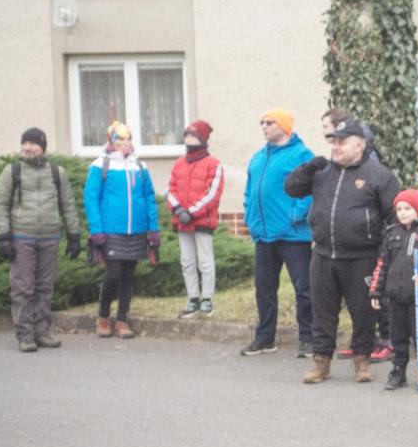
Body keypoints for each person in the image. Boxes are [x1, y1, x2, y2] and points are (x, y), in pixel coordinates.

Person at [287, 117, 399, 384]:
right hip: (323, 254)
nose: (336, 147)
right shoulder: (322, 172)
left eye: (342, 142)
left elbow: (394, 216)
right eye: (333, 142)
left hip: (362, 257)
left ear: (360, 145)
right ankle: (321, 362)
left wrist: (387, 250)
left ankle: (362, 361)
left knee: (363, 313)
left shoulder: (379, 175)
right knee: (322, 312)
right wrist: (308, 167)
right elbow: (291, 188)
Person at [0, 127, 82, 352]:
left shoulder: (57, 172)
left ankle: (41, 331)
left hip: (50, 237)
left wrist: (74, 235)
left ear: (42, 147)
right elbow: (0, 205)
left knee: (45, 287)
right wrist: (3, 236)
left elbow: (68, 205)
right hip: (22, 237)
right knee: (23, 288)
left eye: (32, 144)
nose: (27, 148)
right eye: (24, 143)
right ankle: (25, 335)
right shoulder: (12, 171)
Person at [241, 108, 315, 357]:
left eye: (269, 122)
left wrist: (296, 214)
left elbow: (311, 189)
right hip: (264, 234)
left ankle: (308, 338)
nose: (264, 126)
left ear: (284, 126)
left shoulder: (301, 154)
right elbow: (250, 191)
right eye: (262, 122)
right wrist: (250, 217)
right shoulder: (258, 157)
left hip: (293, 235)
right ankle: (265, 338)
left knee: (304, 288)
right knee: (264, 289)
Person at [84, 121, 159, 340]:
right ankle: (103, 316)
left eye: (128, 139)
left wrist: (153, 229)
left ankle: (123, 319)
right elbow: (91, 199)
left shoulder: (140, 166)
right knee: (114, 273)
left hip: (137, 230)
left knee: (128, 276)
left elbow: (149, 197)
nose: (125, 143)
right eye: (120, 139)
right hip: (111, 230)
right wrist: (96, 229)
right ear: (111, 141)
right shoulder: (100, 164)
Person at [368, 189, 418, 390]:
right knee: (397, 335)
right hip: (395, 296)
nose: (402, 213)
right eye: (399, 209)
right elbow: (383, 264)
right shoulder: (391, 234)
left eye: (408, 208)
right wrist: (376, 291)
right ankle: (398, 369)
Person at [167, 120, 224, 318]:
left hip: (202, 221)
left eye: (193, 136)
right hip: (182, 220)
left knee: (205, 261)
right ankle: (193, 298)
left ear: (202, 139)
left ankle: (207, 298)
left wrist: (191, 212)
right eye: (187, 136)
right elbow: (171, 189)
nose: (188, 139)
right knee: (187, 261)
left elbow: (212, 194)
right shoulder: (178, 164)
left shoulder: (214, 164)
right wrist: (178, 209)